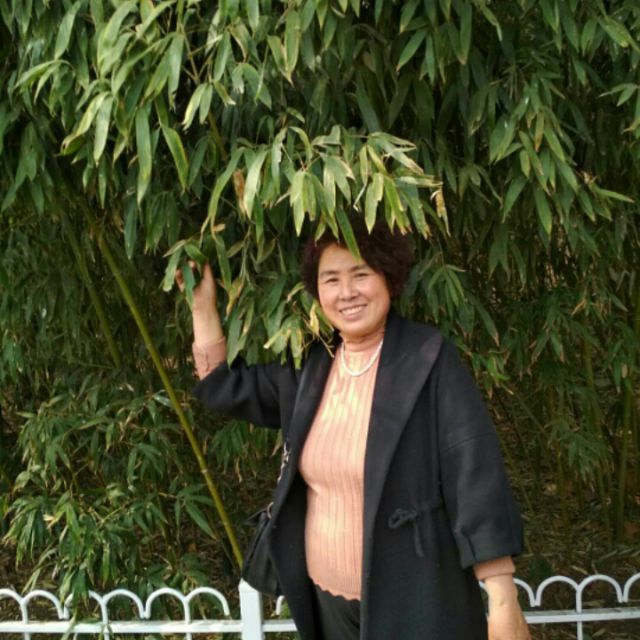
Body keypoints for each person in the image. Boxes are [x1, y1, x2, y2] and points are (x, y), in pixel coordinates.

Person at [178, 218, 531, 640]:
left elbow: (473, 472)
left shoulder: (426, 358)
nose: (346, 292)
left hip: (413, 601)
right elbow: (224, 387)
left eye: (360, 274)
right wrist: (202, 307)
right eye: (331, 279)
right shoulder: (311, 364)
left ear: (389, 277)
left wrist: (503, 598)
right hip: (327, 601)